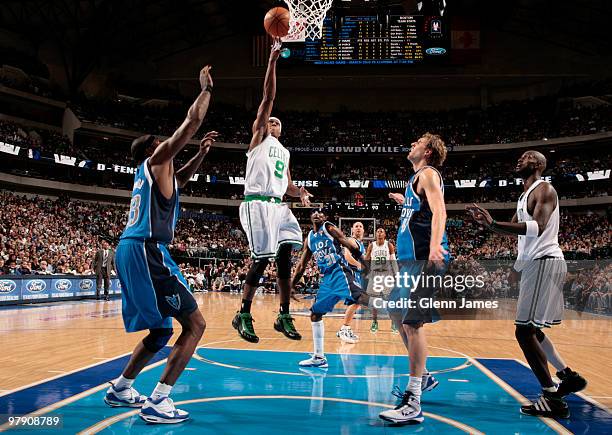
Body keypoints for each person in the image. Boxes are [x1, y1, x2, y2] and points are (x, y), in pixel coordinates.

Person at [104, 65, 217, 424]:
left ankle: (121, 388)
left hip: (131, 249)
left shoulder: (150, 175)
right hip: (145, 250)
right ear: (153, 149)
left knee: (162, 330)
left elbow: (182, 177)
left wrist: (202, 154)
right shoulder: (156, 159)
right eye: (160, 142)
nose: (165, 144)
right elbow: (189, 123)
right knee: (195, 325)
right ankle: (159, 400)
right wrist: (205, 91)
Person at [466, 150, 587, 418]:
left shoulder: (544, 189)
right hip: (535, 263)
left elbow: (538, 228)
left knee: (524, 332)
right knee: (532, 331)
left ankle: (552, 397)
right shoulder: (524, 195)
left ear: (540, 165)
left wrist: (495, 222)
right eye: (520, 156)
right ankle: (568, 376)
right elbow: (522, 235)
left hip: (546, 261)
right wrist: (491, 227)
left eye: (528, 156)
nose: (521, 158)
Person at [233, 38, 312, 343]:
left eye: (278, 122)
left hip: (279, 206)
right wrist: (272, 61)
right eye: (270, 120)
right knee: (262, 259)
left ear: (282, 130)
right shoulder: (258, 140)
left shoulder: (285, 152)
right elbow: (268, 96)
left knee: (284, 258)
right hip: (256, 204)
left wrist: (301, 192)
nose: (273, 123)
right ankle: (243, 313)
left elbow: (289, 186)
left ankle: (283, 314)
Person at [379, 133, 449, 425]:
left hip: (425, 261)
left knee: (411, 322)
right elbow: (419, 211)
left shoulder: (429, 174)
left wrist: (434, 246)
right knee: (396, 313)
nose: (411, 144)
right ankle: (426, 375)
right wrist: (403, 200)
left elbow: (439, 210)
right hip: (410, 264)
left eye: (418, 142)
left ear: (429, 151)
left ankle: (413, 401)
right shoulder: (414, 181)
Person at [291, 208, 369, 368]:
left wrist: (366, 264)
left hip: (339, 271)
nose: (317, 214)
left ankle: (391, 305)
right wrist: (291, 285)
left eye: (321, 213)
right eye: (314, 212)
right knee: (315, 314)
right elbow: (301, 265)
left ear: (325, 217)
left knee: (359, 298)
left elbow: (349, 245)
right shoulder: (310, 238)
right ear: (310, 216)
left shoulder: (329, 228)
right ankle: (319, 357)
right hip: (327, 278)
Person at [337, 222, 368, 343]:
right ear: (352, 230)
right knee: (357, 300)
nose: (359, 228)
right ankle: (344, 329)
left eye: (361, 226)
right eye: (356, 226)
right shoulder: (351, 240)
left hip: (355, 275)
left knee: (355, 302)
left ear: (364, 230)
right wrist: (360, 265)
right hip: (348, 273)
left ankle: (345, 328)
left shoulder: (361, 244)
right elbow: (347, 256)